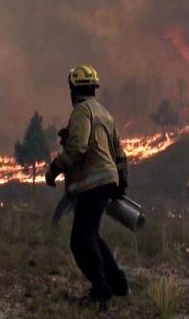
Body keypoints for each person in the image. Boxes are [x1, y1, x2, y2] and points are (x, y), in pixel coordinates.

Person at [45, 64, 129, 308]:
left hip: (93, 182)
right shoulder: (105, 114)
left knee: (80, 240)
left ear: (73, 89)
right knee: (91, 234)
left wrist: (54, 169)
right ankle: (118, 283)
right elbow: (120, 154)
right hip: (106, 181)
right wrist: (121, 183)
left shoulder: (82, 111)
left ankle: (101, 289)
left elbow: (78, 147)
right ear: (94, 88)